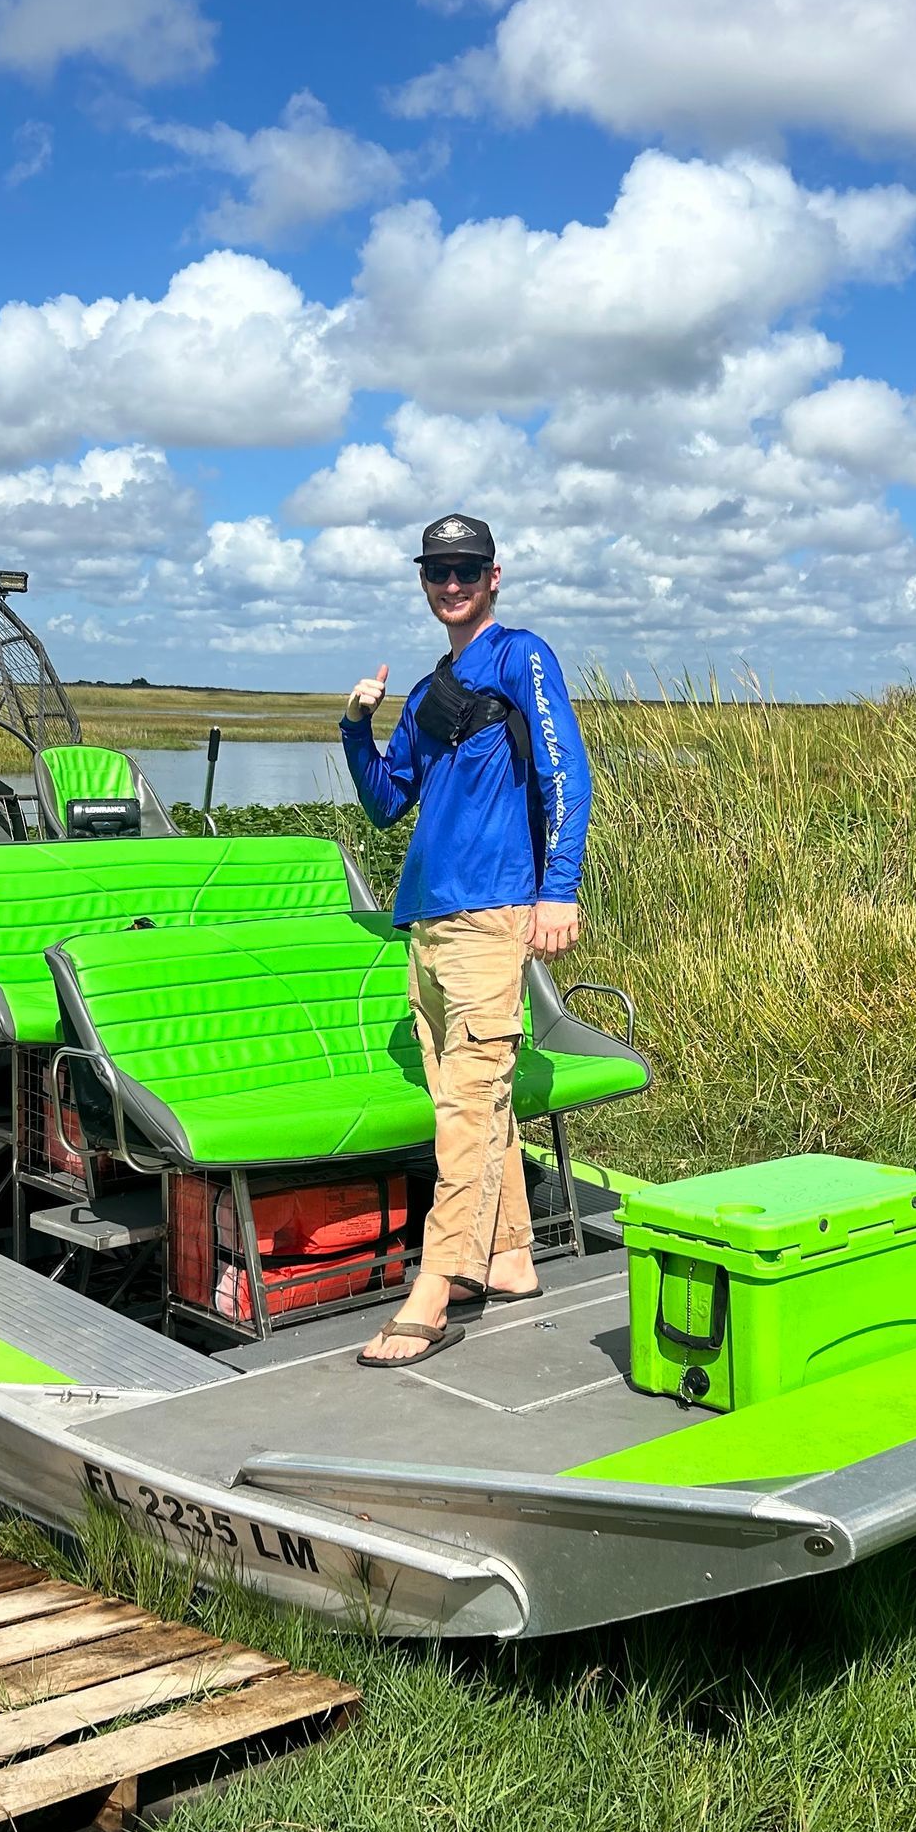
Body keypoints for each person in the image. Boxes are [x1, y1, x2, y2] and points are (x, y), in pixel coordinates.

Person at [340, 515, 591, 1367]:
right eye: (436, 570)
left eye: (465, 568)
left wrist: (558, 889)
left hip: (492, 916)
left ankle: (434, 1289)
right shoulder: (428, 690)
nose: (450, 582)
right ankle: (510, 1259)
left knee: (463, 1107)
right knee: (482, 1102)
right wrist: (354, 728)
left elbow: (566, 770)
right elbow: (385, 802)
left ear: (494, 576)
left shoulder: (522, 655)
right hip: (428, 920)